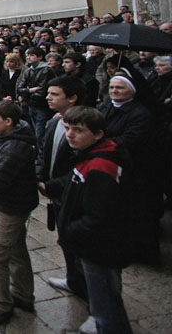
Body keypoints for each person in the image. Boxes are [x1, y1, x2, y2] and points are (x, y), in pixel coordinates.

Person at [41, 106, 133, 334]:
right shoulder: (89, 154)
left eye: (78, 130)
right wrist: (48, 186)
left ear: (98, 134)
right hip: (90, 242)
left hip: (99, 246)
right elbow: (74, 181)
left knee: (105, 296)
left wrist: (71, 231)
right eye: (68, 129)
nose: (70, 135)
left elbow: (99, 216)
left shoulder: (102, 166)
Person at [0, 100, 38, 326]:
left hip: (12, 206)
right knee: (16, 249)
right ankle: (23, 294)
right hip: (8, 203)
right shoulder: (6, 136)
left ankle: (2, 304)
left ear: (9, 121)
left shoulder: (15, 146)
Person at [97, 72, 159, 264]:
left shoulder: (140, 114)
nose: (114, 91)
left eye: (119, 88)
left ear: (131, 91)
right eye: (112, 87)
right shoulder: (105, 106)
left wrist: (98, 143)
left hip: (133, 167)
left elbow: (128, 141)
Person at [38, 76, 88, 298]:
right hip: (57, 195)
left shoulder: (85, 127)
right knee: (65, 239)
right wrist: (39, 176)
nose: (48, 97)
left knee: (82, 247)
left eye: (54, 94)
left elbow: (82, 166)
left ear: (72, 98)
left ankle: (91, 297)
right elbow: (43, 153)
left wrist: (50, 186)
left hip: (76, 195)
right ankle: (73, 279)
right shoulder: (53, 123)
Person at [16, 47, 54, 153]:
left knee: (40, 133)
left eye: (32, 55)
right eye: (27, 55)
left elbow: (42, 91)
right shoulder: (28, 70)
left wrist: (26, 93)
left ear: (40, 57)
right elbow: (19, 88)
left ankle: (42, 156)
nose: (28, 57)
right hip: (31, 105)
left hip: (42, 106)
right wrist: (30, 91)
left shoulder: (46, 70)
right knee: (35, 132)